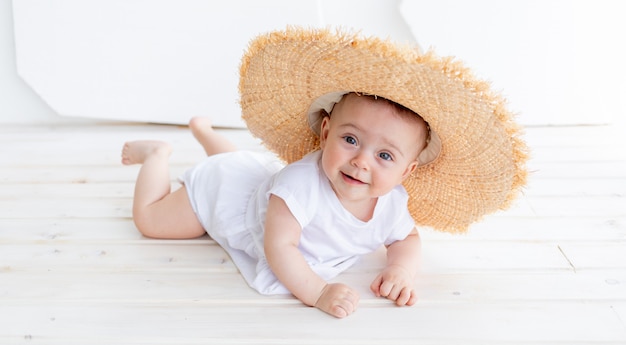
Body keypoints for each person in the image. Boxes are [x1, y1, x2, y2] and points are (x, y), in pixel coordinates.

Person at [122, 27, 528, 319]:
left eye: (385, 156)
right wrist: (317, 292)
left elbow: (406, 237)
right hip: (225, 196)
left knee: (240, 164)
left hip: (249, 176)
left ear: (409, 169)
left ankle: (205, 134)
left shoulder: (391, 202)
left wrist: (400, 269)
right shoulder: (298, 186)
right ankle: (158, 154)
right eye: (351, 140)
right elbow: (281, 247)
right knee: (153, 220)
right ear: (326, 131)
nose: (362, 161)